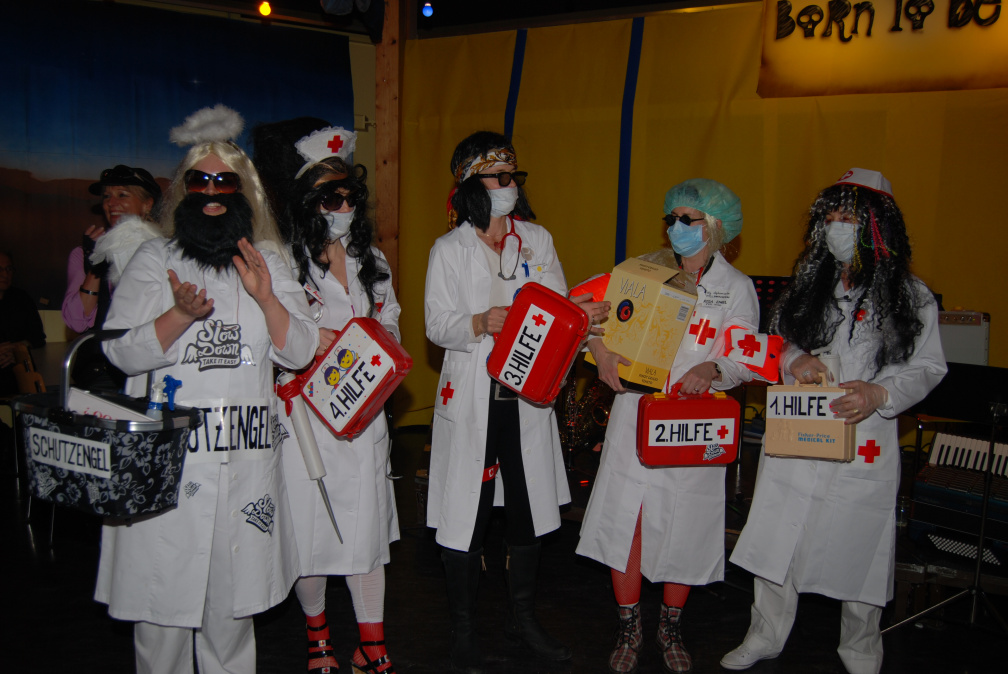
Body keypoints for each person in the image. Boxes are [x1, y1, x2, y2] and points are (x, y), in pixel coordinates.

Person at [96, 105, 318, 674]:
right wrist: (177, 316)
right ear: (184, 190)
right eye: (201, 180)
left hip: (244, 464)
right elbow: (118, 350)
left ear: (246, 191)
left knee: (231, 618)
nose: (214, 192)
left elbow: (300, 352)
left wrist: (267, 297)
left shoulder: (268, 261)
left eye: (226, 181)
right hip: (169, 466)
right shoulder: (156, 258)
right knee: (162, 616)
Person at [721, 169, 946, 674]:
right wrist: (794, 359)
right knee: (778, 536)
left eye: (848, 217)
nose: (836, 226)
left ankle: (860, 649)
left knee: (860, 545)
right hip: (799, 432)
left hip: (862, 439)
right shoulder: (808, 288)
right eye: (830, 217)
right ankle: (764, 634)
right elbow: (776, 343)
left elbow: (929, 367)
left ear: (877, 226)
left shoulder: (911, 296)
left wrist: (880, 392)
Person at [424, 131, 608, 673]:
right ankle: (463, 629)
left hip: (527, 394)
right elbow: (436, 324)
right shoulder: (449, 249)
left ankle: (522, 619)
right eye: (498, 177)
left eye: (514, 177)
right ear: (470, 184)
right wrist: (479, 322)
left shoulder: (536, 240)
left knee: (527, 511)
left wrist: (579, 315)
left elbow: (557, 307)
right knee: (468, 511)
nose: (509, 185)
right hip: (475, 395)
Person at [577, 179, 759, 674]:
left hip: (692, 421)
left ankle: (670, 626)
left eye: (688, 219)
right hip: (635, 410)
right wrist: (600, 352)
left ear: (714, 226)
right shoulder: (642, 271)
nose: (676, 227)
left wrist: (713, 369)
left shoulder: (736, 288)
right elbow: (583, 314)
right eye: (671, 218)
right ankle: (629, 626)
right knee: (627, 520)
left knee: (686, 523)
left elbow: (744, 356)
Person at [260, 122, 402, 674]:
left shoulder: (373, 259)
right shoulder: (280, 262)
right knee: (312, 531)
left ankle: (373, 645)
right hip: (306, 422)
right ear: (306, 202)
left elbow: (390, 321)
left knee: (367, 532)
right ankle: (318, 636)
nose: (344, 207)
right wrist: (311, 343)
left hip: (365, 418)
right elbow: (279, 339)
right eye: (330, 197)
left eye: (350, 195)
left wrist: (380, 343)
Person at [62, 164, 161, 389]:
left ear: (147, 204)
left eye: (122, 195)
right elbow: (77, 321)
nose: (111, 202)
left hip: (151, 366)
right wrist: (96, 265)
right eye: (106, 196)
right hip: (101, 372)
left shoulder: (166, 252)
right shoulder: (82, 253)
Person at [0, 250, 46, 396]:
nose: (5, 274)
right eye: (0, 269)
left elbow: (38, 337)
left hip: (18, 372)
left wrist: (18, 349)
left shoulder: (21, 298)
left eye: (9, 269)